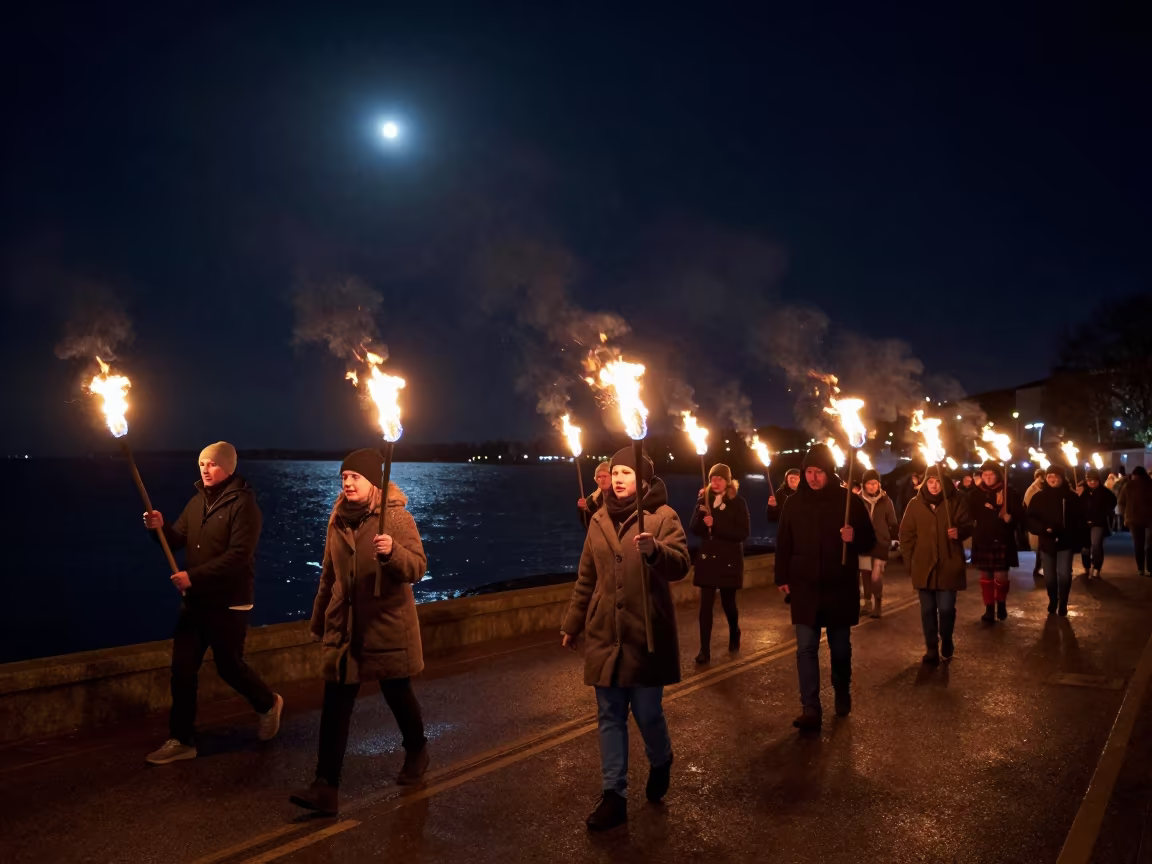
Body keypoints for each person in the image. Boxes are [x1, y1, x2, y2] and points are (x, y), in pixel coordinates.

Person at [290, 450, 430, 816]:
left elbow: (417, 567)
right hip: (345, 627)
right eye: (344, 477)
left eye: (355, 477)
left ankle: (416, 749)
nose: (348, 483)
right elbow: (328, 575)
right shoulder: (337, 519)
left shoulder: (396, 518)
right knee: (336, 705)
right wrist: (320, 622)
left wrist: (393, 552)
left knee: (398, 694)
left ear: (373, 483)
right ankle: (325, 787)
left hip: (385, 624)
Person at [560, 447, 690, 831]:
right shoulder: (598, 518)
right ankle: (613, 795)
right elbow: (587, 577)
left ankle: (661, 757)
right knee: (610, 715)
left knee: (647, 712)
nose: (617, 479)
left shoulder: (663, 517)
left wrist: (656, 551)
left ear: (644, 481)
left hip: (646, 632)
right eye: (615, 472)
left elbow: (681, 563)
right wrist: (573, 623)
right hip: (605, 633)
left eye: (626, 473)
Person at [141, 442, 282, 765]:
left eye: (213, 464)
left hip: (229, 602)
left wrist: (194, 576)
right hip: (197, 604)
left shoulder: (245, 506)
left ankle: (268, 703)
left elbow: (238, 556)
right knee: (182, 670)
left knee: (229, 667)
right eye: (202, 463)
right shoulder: (196, 503)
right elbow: (177, 540)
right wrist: (159, 528)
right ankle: (181, 739)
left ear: (229, 469)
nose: (205, 469)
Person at [774, 444, 876, 732]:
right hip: (805, 587)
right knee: (805, 648)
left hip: (838, 586)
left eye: (818, 472)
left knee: (840, 648)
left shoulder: (848, 502)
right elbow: (784, 542)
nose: (813, 477)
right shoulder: (793, 504)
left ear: (828, 472)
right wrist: (782, 575)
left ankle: (842, 690)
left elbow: (869, 541)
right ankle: (810, 707)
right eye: (809, 472)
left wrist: (854, 536)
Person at [900, 465, 974, 663]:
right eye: (930, 481)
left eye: (938, 481)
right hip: (924, 566)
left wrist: (959, 531)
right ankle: (931, 647)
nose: (934, 485)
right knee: (927, 611)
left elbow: (968, 524)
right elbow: (906, 535)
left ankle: (946, 637)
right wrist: (910, 563)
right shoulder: (915, 504)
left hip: (949, 564)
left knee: (947, 608)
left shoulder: (956, 501)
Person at [689, 463, 751, 663]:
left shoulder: (738, 502)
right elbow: (694, 529)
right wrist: (700, 516)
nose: (715, 482)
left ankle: (735, 631)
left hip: (728, 560)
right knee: (705, 606)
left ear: (728, 481)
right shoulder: (703, 499)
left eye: (720, 479)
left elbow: (742, 533)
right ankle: (704, 650)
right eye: (713, 478)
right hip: (708, 559)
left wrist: (716, 526)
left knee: (728, 603)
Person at [968, 460, 1025, 623]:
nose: (987, 477)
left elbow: (1021, 516)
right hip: (983, 538)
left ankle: (1001, 603)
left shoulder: (1009, 492)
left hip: (1002, 538)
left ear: (998, 475)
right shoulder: (975, 494)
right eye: (984, 474)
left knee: (1001, 575)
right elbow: (969, 514)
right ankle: (989, 608)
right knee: (985, 574)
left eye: (991, 474)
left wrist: (1011, 519)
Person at [1027, 464, 1086, 616]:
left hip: (1066, 542)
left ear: (1062, 478)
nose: (1053, 479)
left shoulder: (1071, 497)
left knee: (1065, 574)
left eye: (1056, 476)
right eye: (1049, 476)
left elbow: (1080, 518)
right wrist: (1043, 528)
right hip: (1047, 542)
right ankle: (1053, 599)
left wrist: (1079, 538)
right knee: (1049, 575)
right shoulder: (1039, 497)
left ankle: (1064, 602)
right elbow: (1031, 518)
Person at [857, 469, 899, 618]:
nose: (872, 486)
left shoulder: (885, 500)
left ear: (879, 484)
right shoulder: (857, 500)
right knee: (865, 574)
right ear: (864, 485)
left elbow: (892, 521)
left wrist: (894, 538)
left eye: (875, 483)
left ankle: (878, 604)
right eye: (869, 483)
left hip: (881, 542)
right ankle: (867, 603)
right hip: (862, 543)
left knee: (876, 576)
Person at [1079, 469, 1116, 579]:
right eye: (1089, 480)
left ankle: (1096, 567)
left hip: (1098, 522)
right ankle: (1086, 566)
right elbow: (1077, 506)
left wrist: (1104, 514)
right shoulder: (1083, 491)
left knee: (1096, 545)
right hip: (1084, 523)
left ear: (1099, 481)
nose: (1091, 483)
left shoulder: (1105, 492)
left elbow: (1112, 503)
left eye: (1094, 480)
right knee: (1085, 546)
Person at [1119, 466, 1152, 576]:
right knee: (1149, 544)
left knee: (1138, 544)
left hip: (1133, 519)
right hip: (1150, 518)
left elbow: (1121, 501)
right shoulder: (1150, 484)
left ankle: (1140, 568)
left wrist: (1124, 515)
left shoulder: (1128, 485)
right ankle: (1150, 568)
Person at [1023, 468, 1047, 579]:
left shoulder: (1042, 488)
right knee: (1041, 548)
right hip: (1038, 523)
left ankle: (1040, 568)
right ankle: (1039, 569)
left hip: (1041, 523)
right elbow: (1029, 505)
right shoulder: (1033, 489)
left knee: (1042, 548)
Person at [578, 461, 613, 529]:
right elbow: (588, 526)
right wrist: (584, 511)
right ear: (595, 480)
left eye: (605, 476)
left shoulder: (621, 496)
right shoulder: (591, 501)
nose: (602, 480)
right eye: (599, 477)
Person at [1114, 467, 1129, 533]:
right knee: (1123, 514)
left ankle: (1120, 526)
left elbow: (1115, 491)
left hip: (1119, 500)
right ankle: (1123, 526)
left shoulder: (1118, 482)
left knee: (1119, 514)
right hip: (1126, 501)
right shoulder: (1129, 481)